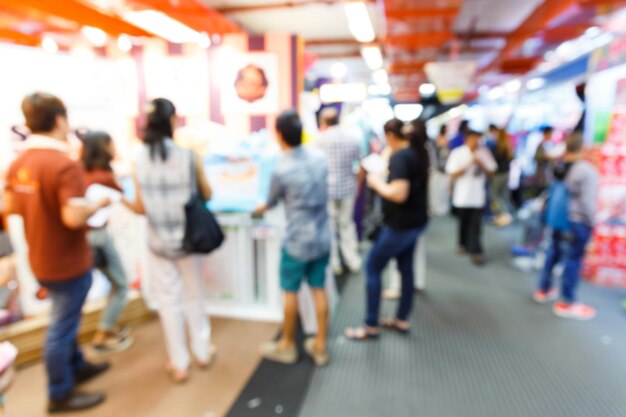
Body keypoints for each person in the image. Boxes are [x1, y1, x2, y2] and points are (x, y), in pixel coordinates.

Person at [3, 92, 110, 413]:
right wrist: (98, 204)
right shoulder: (64, 164)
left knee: (66, 317)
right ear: (60, 120)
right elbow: (73, 217)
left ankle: (76, 366)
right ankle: (59, 392)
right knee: (62, 326)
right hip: (67, 260)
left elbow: (10, 206)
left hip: (40, 257)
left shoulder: (19, 163)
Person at [126, 98, 216, 383]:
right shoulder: (189, 156)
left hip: (158, 243)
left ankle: (179, 363)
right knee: (195, 295)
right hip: (189, 239)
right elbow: (208, 194)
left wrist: (121, 202)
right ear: (173, 121)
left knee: (168, 302)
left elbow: (140, 208)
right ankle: (202, 351)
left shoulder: (138, 160)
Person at [254, 110, 331, 366]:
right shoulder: (320, 157)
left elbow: (271, 201)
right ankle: (320, 345)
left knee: (290, 292)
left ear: (279, 135)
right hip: (322, 235)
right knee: (319, 289)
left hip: (297, 239)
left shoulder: (281, 168)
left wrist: (259, 208)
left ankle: (287, 344)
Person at [345, 118, 430, 340]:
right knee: (406, 268)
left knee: (372, 267)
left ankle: (370, 324)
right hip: (414, 222)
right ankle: (401, 319)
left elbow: (399, 193)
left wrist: (376, 184)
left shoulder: (402, 157)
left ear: (390, 136)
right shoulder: (415, 153)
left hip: (400, 224)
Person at [534, 133, 599, 320]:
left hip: (557, 218)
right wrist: (592, 222)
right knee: (573, 259)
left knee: (553, 252)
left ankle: (543, 288)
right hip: (577, 220)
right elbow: (587, 202)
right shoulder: (585, 171)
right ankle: (567, 301)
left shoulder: (559, 167)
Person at [80, 131, 133, 353]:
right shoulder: (103, 177)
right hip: (98, 237)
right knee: (121, 285)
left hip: (87, 237)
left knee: (113, 283)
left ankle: (107, 328)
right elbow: (130, 202)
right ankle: (102, 334)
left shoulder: (81, 173)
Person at [316, 107, 362, 275]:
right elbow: (360, 164)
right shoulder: (352, 138)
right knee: (347, 225)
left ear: (323, 122)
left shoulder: (319, 140)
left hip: (327, 190)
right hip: (348, 188)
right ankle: (352, 260)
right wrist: (357, 184)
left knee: (330, 226)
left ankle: (334, 262)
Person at [446, 130, 497, 265]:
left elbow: (492, 171)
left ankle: (476, 250)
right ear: (467, 139)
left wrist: (481, 164)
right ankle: (462, 243)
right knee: (463, 222)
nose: (476, 142)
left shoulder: (484, 152)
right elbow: (452, 173)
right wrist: (469, 163)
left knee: (476, 225)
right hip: (462, 196)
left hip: (478, 196)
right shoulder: (458, 153)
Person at [490, 128, 514, 227]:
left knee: (495, 195)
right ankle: (505, 215)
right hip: (506, 173)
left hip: (499, 173)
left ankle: (503, 215)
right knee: (504, 194)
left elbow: (494, 161)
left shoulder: (497, 146)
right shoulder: (508, 146)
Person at [533, 126, 556, 193]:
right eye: (550, 133)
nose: (551, 135)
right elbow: (536, 157)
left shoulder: (551, 144)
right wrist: (545, 156)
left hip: (549, 174)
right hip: (542, 174)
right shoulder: (541, 145)